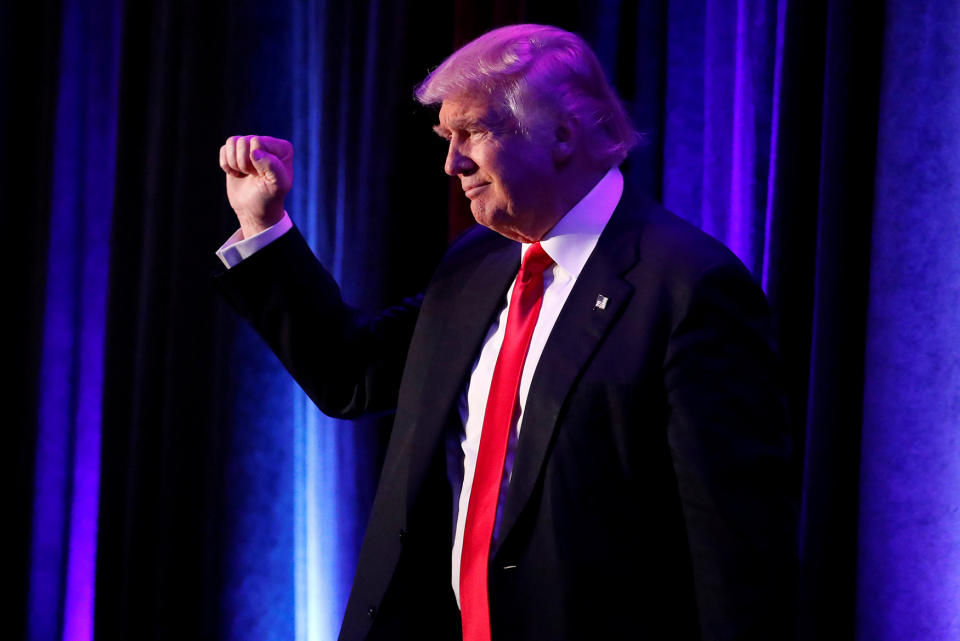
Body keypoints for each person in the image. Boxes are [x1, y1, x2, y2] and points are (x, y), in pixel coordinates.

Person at [214, 24, 796, 641]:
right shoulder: (477, 262)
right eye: (446, 137)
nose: (451, 162)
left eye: (473, 132)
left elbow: (735, 546)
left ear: (563, 134)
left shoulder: (686, 287)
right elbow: (353, 375)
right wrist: (264, 227)